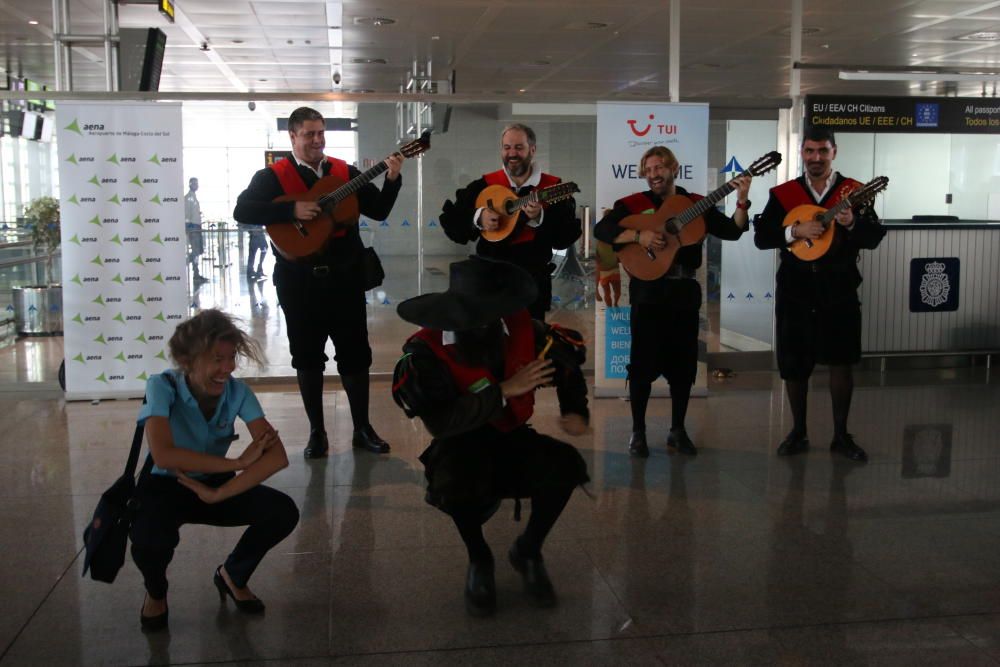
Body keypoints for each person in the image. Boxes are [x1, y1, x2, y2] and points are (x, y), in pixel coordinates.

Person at [392, 256, 590, 616]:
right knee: (455, 484)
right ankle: (479, 558)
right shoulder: (424, 351)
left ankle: (527, 550)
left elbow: (565, 362)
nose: (485, 323)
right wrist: (504, 390)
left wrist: (574, 409)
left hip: (511, 435)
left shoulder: (524, 330)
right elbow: (441, 422)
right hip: (459, 440)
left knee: (565, 465)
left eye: (492, 313)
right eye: (476, 314)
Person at [233, 106, 402, 458]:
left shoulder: (345, 173)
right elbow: (243, 211)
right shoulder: (273, 177)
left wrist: (393, 178)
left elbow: (380, 210)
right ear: (292, 136)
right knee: (307, 358)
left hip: (345, 280)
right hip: (299, 283)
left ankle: (362, 429)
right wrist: (289, 210)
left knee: (356, 356)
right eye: (309, 134)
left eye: (320, 133)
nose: (316, 140)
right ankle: (317, 433)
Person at [129, 309, 299, 632]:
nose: (228, 368)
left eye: (231, 357)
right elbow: (164, 456)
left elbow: (276, 457)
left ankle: (232, 575)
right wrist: (236, 463)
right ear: (187, 360)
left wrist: (219, 491)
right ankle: (156, 592)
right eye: (216, 359)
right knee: (148, 540)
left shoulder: (238, 392)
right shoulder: (161, 386)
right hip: (166, 485)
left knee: (282, 512)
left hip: (215, 485)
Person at [593, 146, 751, 458]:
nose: (654, 175)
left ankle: (677, 430)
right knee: (641, 366)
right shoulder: (632, 204)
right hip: (648, 292)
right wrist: (640, 238)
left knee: (683, 366)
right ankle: (637, 433)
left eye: (660, 168)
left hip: (683, 293)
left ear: (673, 169)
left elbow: (734, 230)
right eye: (648, 169)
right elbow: (604, 230)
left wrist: (742, 199)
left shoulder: (695, 204)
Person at [754, 126, 885, 462]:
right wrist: (794, 230)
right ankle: (798, 432)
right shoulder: (783, 193)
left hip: (838, 287)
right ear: (802, 153)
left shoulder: (854, 191)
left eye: (822, 151)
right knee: (794, 362)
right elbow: (763, 236)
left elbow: (872, 237)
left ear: (834, 152)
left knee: (842, 360)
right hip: (795, 287)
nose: (816, 158)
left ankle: (841, 435)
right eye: (810, 151)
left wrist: (852, 223)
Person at [438, 124, 581, 320]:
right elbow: (452, 221)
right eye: (507, 147)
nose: (512, 153)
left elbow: (566, 237)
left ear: (532, 149)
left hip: (532, 282)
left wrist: (539, 218)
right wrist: (478, 217)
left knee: (530, 340)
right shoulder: (484, 185)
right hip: (489, 279)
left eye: (518, 147)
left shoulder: (553, 187)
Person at [185, 177, 207, 284]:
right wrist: (189, 228)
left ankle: (196, 272)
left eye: (197, 183)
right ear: (190, 184)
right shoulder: (188, 198)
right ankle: (195, 273)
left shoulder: (193, 198)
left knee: (197, 252)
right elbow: (186, 215)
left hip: (196, 227)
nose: (196, 185)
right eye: (194, 183)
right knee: (195, 252)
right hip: (193, 228)